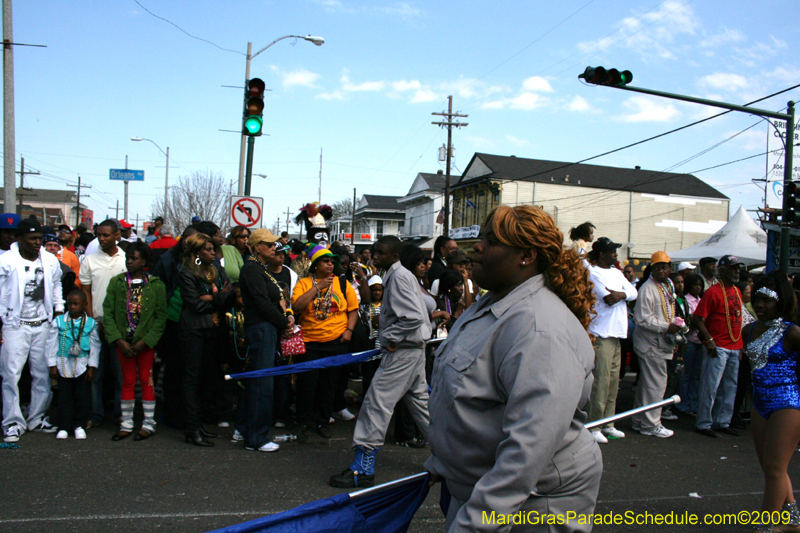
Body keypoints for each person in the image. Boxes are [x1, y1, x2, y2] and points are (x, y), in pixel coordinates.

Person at [422, 205, 600, 532]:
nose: (477, 246)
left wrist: (473, 526)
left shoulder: (540, 331)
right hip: (475, 489)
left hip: (529, 505)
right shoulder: (492, 304)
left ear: (526, 256)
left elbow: (526, 453)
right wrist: (443, 463)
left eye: (491, 241)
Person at [330, 235, 432, 488]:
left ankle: (363, 467)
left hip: (403, 352)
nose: (375, 256)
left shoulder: (398, 277)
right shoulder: (398, 275)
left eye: (381, 253)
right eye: (374, 252)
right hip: (413, 350)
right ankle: (454, 456)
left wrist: (389, 337)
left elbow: (412, 317)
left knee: (376, 403)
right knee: (421, 405)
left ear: (394, 256)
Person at [744, 274, 800, 533]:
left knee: (776, 468)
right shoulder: (749, 330)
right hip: (760, 401)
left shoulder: (793, 333)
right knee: (770, 467)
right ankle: (792, 520)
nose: (761, 305)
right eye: (757, 299)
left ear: (780, 303)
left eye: (767, 300)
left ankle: (767, 526)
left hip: (788, 402)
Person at [0, 218, 65, 442]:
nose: (38, 242)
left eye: (39, 238)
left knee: (42, 374)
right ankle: (12, 422)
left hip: (43, 324)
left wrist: (58, 309)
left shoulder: (49, 260)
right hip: (14, 325)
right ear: (20, 239)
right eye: (32, 238)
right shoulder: (6, 260)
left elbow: (56, 284)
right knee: (11, 375)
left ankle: (36, 417)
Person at [291, 244, 359, 440]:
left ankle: (322, 421)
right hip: (310, 343)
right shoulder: (304, 283)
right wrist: (318, 287)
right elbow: (296, 307)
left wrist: (348, 332)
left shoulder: (343, 284)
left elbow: (352, 310)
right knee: (306, 385)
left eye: (332, 262)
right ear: (315, 264)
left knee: (329, 385)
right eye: (325, 261)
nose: (330, 264)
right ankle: (302, 422)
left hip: (336, 342)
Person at [236, 229, 294, 453]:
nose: (274, 248)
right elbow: (261, 303)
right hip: (261, 327)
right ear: (257, 246)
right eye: (269, 245)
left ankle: (243, 428)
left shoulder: (259, 268)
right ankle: (256, 438)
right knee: (262, 383)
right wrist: (283, 321)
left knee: (257, 382)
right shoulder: (252, 269)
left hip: (267, 326)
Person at [103, 242, 168, 441]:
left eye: (134, 258)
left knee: (147, 381)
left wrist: (147, 341)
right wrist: (119, 340)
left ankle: (148, 424)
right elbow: (108, 314)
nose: (129, 261)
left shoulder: (156, 285)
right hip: (124, 344)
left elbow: (160, 316)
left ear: (145, 261)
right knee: (128, 381)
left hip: (144, 345)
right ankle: (126, 423)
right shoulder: (117, 282)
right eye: (128, 258)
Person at [178, 232, 235, 447]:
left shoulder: (217, 269)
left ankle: (200, 423)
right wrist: (218, 297)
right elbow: (194, 304)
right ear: (197, 252)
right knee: (192, 378)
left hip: (213, 329)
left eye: (214, 249)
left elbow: (230, 294)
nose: (214, 252)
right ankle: (191, 428)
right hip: (193, 330)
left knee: (206, 378)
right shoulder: (186, 272)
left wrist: (212, 297)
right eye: (209, 250)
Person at [586, 237, 637, 444]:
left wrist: (622, 294)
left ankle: (609, 423)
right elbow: (605, 296)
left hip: (617, 333)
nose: (616, 254)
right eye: (612, 251)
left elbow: (633, 292)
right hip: (602, 334)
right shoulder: (592, 273)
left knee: (614, 381)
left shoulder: (616, 272)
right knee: (601, 381)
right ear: (601, 254)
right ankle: (594, 425)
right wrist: (622, 295)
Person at [79, 219, 127, 429]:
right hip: (96, 325)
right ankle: (95, 415)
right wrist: (91, 319)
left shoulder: (126, 259)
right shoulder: (89, 260)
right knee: (95, 375)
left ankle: (119, 414)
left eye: (106, 235)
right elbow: (86, 292)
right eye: (99, 234)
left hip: (120, 327)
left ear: (117, 235)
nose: (102, 238)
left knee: (120, 374)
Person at [151, 225, 198, 429]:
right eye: (187, 240)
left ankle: (189, 413)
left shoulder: (201, 261)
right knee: (173, 369)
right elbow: (157, 288)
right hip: (172, 319)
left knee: (190, 371)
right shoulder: (169, 259)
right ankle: (170, 413)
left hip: (194, 321)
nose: (190, 244)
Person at [693, 255, 744, 438]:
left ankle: (722, 421)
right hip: (718, 346)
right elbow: (697, 318)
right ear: (722, 271)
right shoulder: (713, 292)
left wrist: (741, 345)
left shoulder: (737, 291)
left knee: (730, 386)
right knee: (711, 386)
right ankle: (704, 423)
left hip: (734, 345)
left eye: (737, 268)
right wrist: (709, 339)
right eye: (732, 268)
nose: (736, 271)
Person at [631, 251, 680, 438]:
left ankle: (639, 421)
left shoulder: (668, 285)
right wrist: (667, 327)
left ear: (670, 268)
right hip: (650, 344)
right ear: (652, 269)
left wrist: (674, 332)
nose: (661, 270)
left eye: (664, 266)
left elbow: (669, 312)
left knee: (647, 384)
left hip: (660, 343)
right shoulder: (647, 289)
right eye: (658, 267)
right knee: (656, 385)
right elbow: (642, 319)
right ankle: (651, 425)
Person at [46, 289, 100, 440]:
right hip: (63, 363)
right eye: (70, 304)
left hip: (82, 364)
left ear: (84, 304)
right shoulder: (59, 321)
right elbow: (51, 343)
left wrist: (92, 366)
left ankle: (79, 425)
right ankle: (64, 426)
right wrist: (52, 364)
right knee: (64, 396)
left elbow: (95, 345)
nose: (72, 307)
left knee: (82, 396)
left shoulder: (90, 323)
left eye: (76, 304)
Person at [677, 273, 705, 416]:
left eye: (700, 285)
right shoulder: (686, 300)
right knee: (686, 374)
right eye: (695, 285)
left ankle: (694, 403)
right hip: (689, 340)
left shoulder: (701, 300)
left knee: (696, 375)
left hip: (701, 341)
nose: (698, 288)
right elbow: (692, 319)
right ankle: (683, 403)